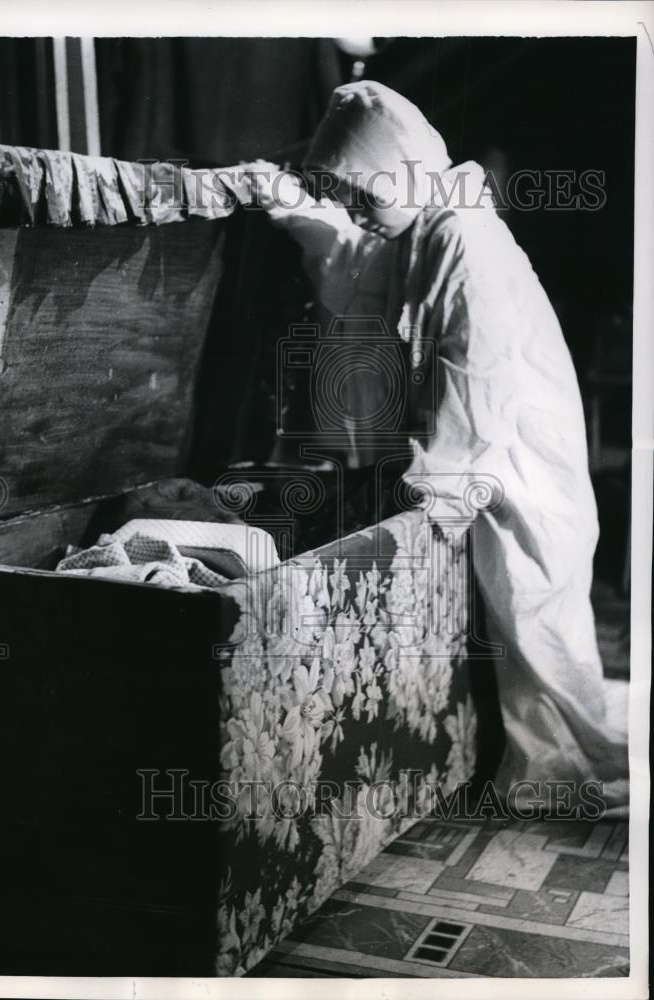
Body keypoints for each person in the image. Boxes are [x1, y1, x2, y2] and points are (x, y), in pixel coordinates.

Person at [239, 80, 629, 813]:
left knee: (532, 606)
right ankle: (521, 754)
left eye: (360, 193)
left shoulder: (459, 235)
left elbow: (475, 370)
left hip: (516, 443)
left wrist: (431, 486)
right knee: (503, 614)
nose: (356, 211)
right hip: (490, 438)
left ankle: (570, 765)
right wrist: (296, 207)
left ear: (394, 169)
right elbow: (355, 262)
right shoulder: (425, 216)